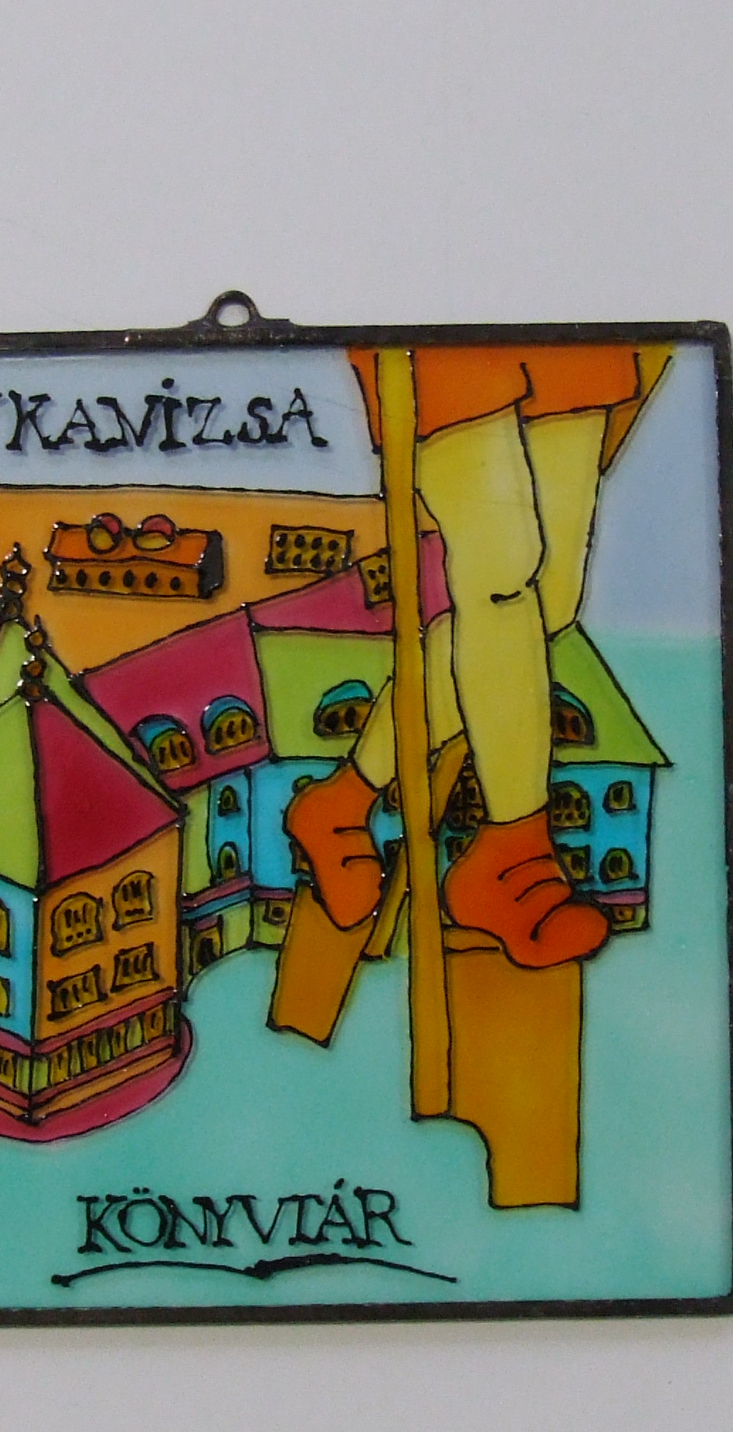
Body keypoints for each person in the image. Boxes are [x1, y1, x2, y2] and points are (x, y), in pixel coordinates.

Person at [281, 345, 666, 968]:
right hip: (434, 331)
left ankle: (343, 799)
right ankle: (514, 855)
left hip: (568, 315)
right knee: (500, 574)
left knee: (551, 598)